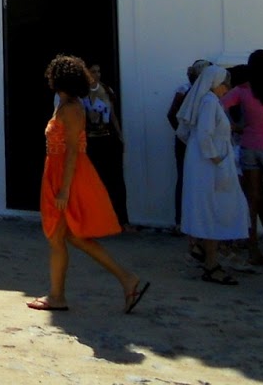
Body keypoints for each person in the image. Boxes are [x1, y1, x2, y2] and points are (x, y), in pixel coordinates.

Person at [27, 54, 148, 314]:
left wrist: (64, 190)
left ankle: (58, 296)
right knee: (70, 236)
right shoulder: (66, 104)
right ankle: (125, 279)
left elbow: (73, 151)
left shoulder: (71, 108)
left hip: (65, 176)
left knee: (59, 237)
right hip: (59, 173)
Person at [176, 63, 249, 284]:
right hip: (211, 165)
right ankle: (211, 262)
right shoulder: (209, 102)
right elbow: (205, 134)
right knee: (214, 209)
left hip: (207, 163)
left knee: (212, 208)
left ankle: (203, 251)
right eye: (225, 84)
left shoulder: (208, 101)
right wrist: (218, 159)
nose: (227, 88)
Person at [221, 48, 263, 265]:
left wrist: (234, 126)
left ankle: (253, 247)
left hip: (248, 146)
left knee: (252, 199)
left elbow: (219, 106)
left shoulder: (243, 89)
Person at [166, 59, 209, 236]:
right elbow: (172, 115)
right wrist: (184, 134)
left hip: (193, 141)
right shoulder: (184, 90)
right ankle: (181, 221)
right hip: (188, 141)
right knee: (185, 179)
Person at [83, 63, 126, 227]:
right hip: (92, 140)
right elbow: (91, 117)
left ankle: (120, 219)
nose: (97, 74)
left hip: (108, 138)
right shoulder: (82, 93)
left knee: (115, 179)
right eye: (93, 71)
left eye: (98, 71)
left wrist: (120, 135)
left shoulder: (107, 90)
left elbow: (112, 115)